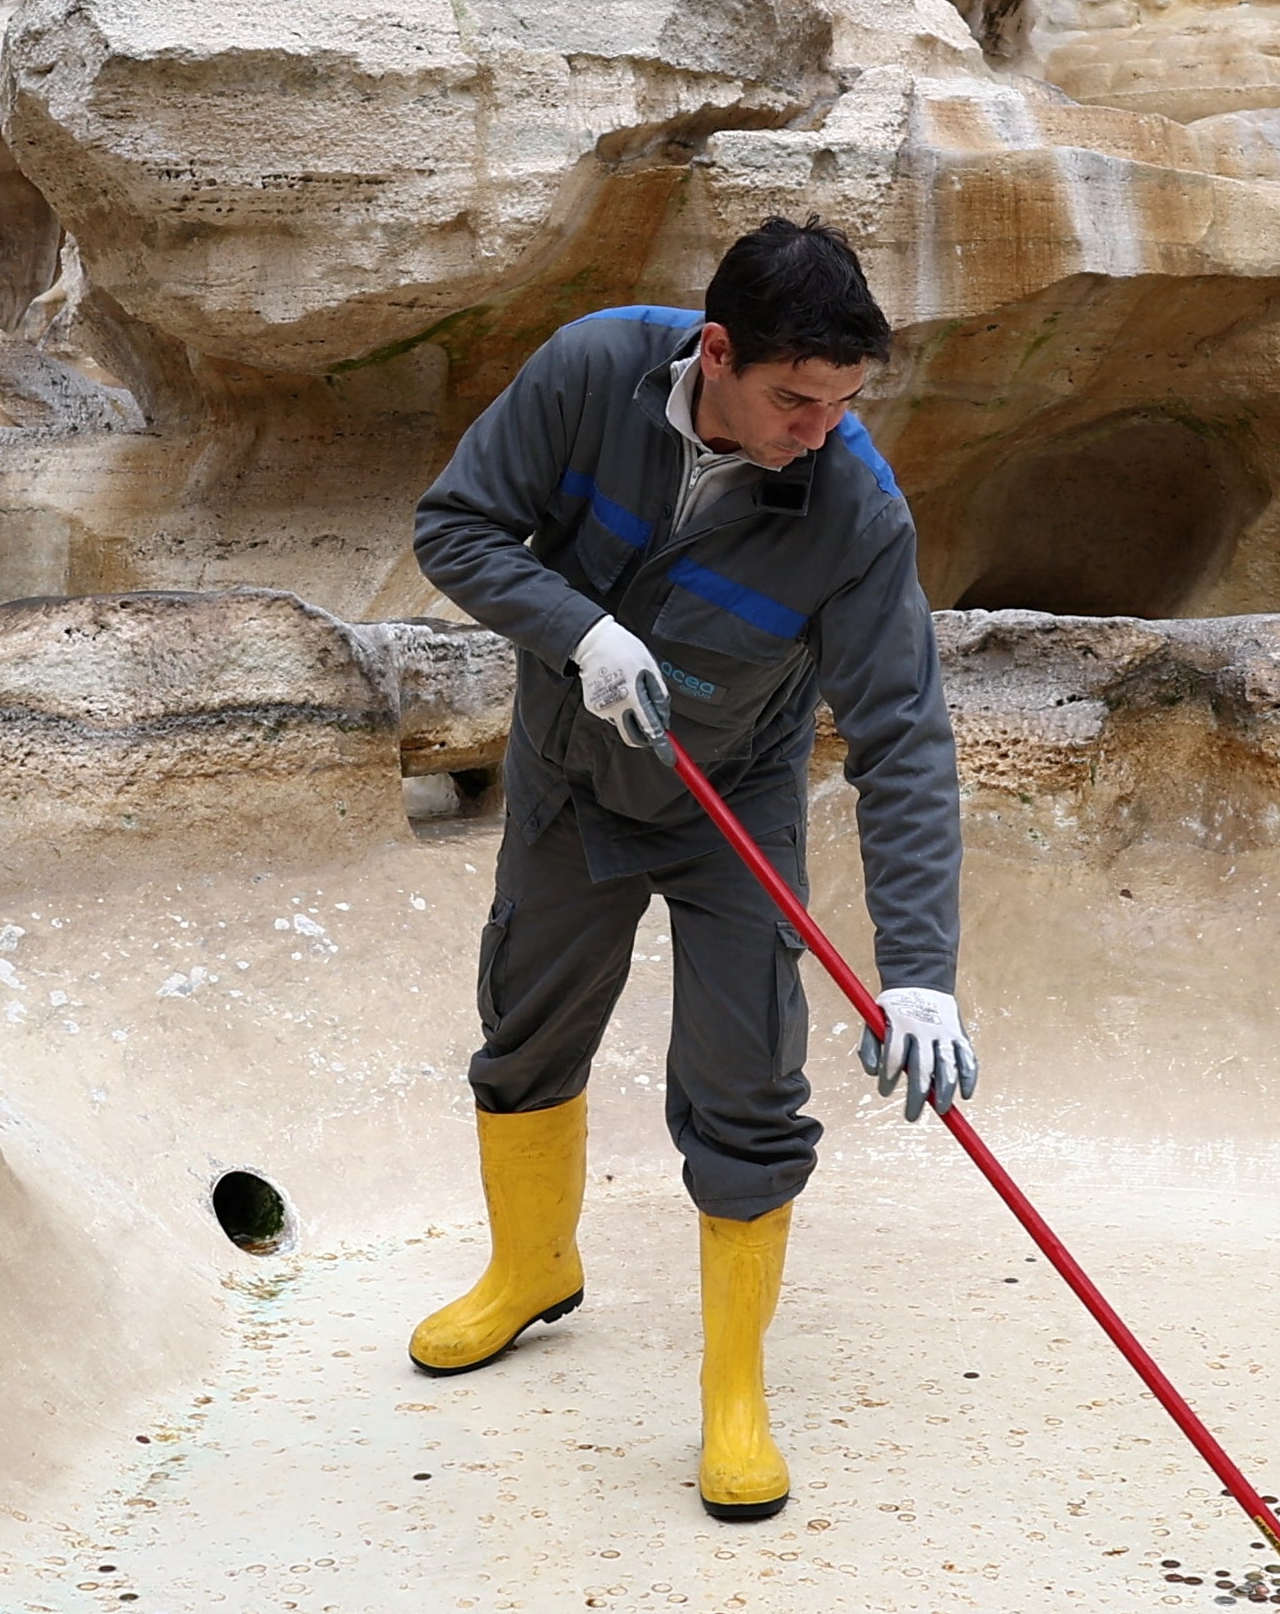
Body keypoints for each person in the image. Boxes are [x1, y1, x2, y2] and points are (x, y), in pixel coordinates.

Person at [402, 218, 970, 1524]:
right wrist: (578, 626)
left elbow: (902, 735)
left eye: (841, 405)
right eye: (795, 399)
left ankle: (733, 1391)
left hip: (732, 809)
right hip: (571, 771)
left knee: (746, 1079)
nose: (819, 429)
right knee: (525, 1027)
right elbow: (458, 526)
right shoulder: (590, 372)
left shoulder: (854, 508)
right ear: (715, 352)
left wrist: (922, 977)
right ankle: (530, 1269)